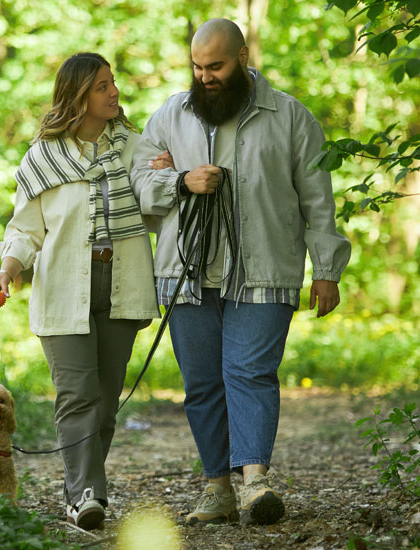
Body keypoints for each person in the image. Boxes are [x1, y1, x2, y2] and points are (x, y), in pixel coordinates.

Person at [131, 19, 351, 526]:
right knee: (203, 383)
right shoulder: (170, 114)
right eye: (197, 66)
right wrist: (182, 181)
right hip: (187, 270)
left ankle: (255, 484)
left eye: (216, 65)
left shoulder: (292, 116)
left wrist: (326, 269)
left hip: (265, 267)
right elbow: (138, 185)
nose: (204, 76)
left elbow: (318, 200)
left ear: (243, 56)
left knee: (250, 373)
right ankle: (217, 489)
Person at [0, 52, 159, 530]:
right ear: (77, 96)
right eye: (101, 86)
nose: (114, 92)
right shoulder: (42, 157)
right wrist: (6, 271)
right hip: (63, 290)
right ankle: (84, 496)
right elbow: (26, 230)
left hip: (123, 284)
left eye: (113, 83)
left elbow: (158, 207)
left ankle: (83, 487)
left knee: (107, 400)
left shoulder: (137, 148)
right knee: (77, 396)